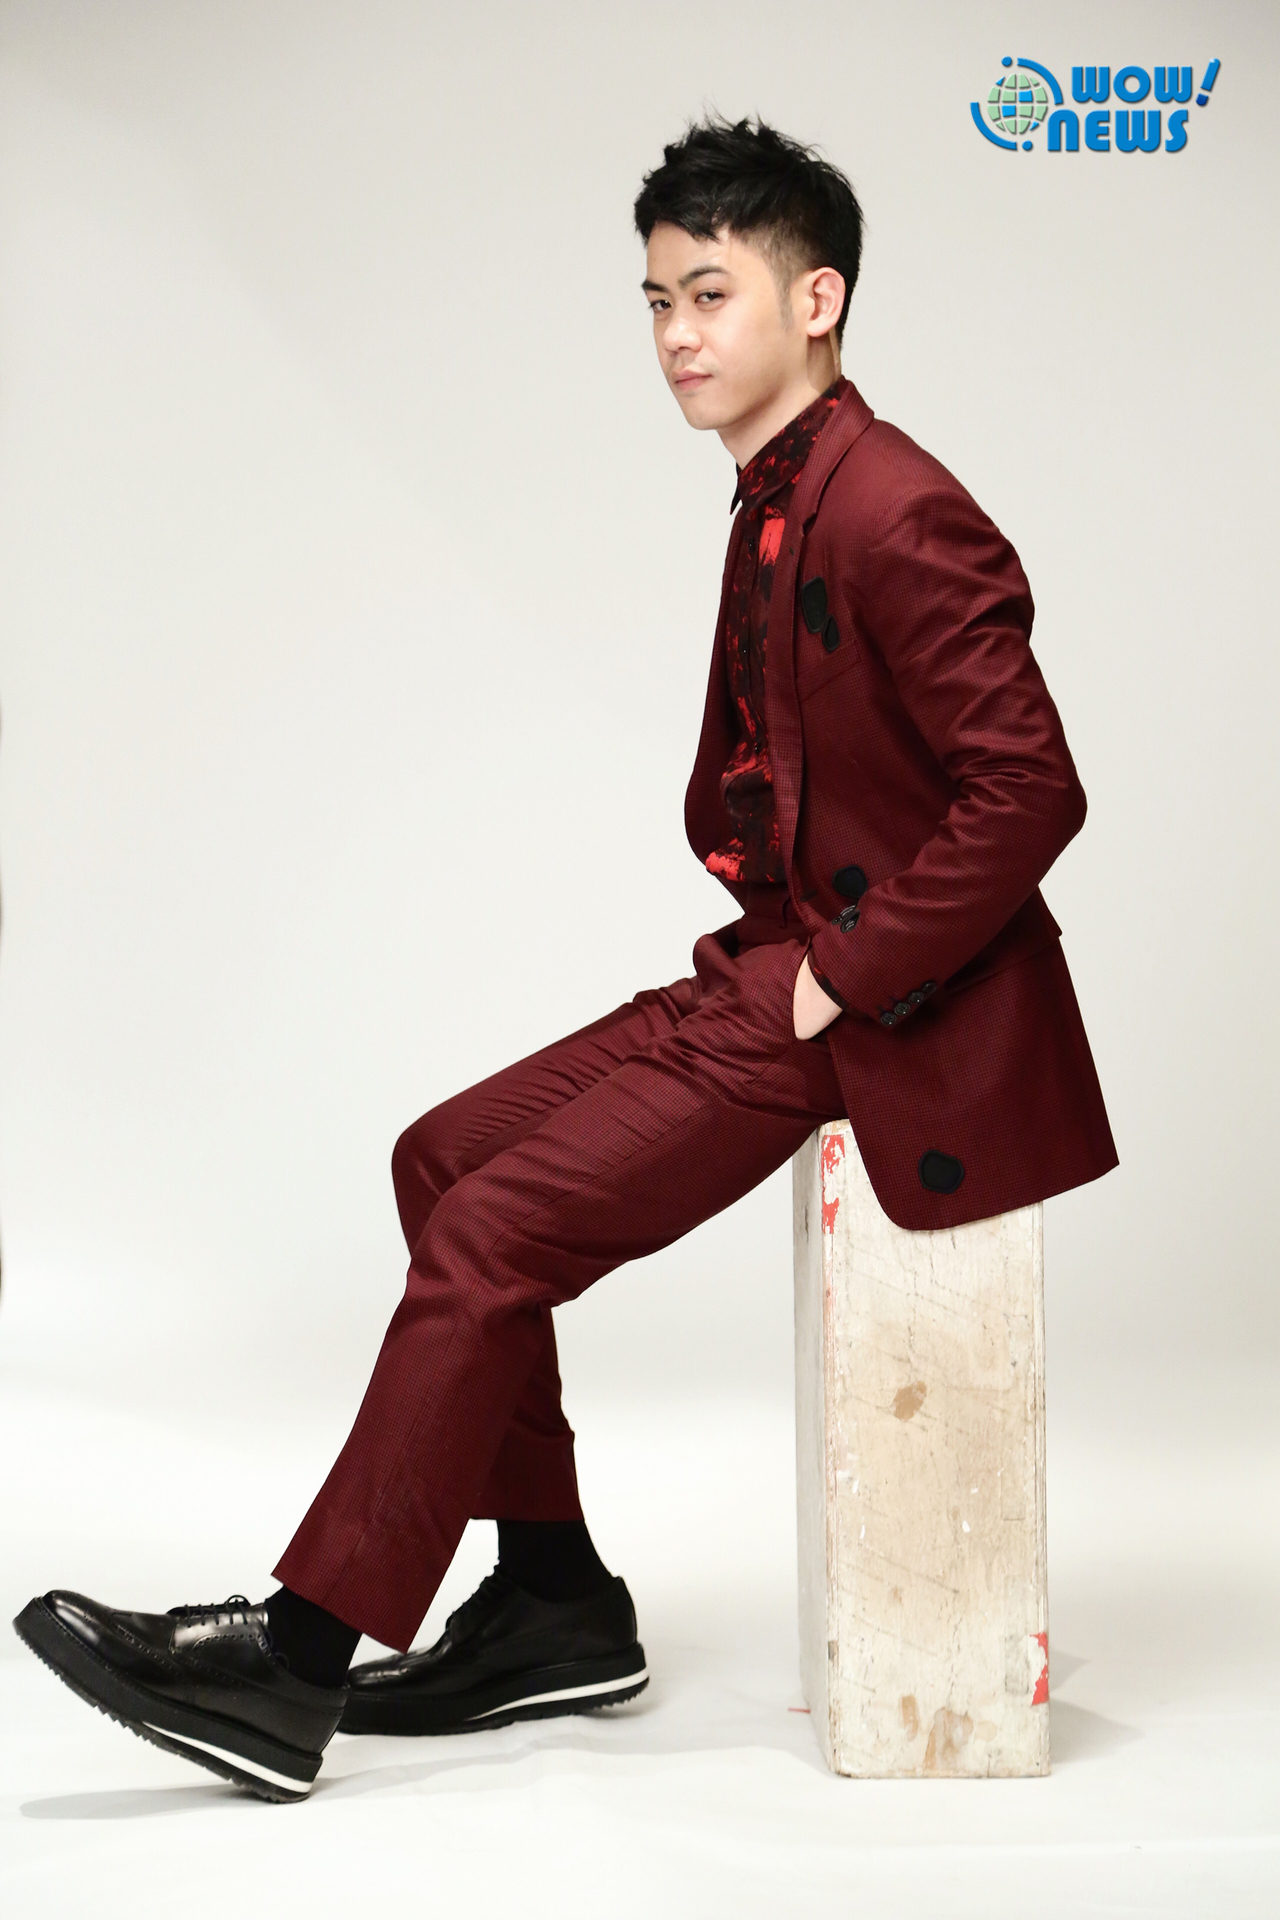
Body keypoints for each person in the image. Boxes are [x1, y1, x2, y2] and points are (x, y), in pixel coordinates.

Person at [14, 117, 1116, 1802]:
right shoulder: (780, 495)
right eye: (657, 299)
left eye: (711, 293)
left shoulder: (897, 507)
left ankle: (292, 1664)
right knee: (442, 1159)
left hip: (884, 1015)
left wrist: (841, 973)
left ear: (817, 300)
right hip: (770, 963)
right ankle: (552, 1600)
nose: (675, 332)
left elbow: (1031, 787)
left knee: (493, 1232)